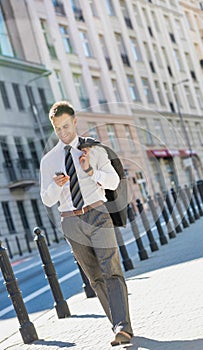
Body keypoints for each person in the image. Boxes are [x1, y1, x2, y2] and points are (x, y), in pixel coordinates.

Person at [40, 101, 133, 346]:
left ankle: (122, 327)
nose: (63, 133)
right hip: (71, 221)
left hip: (97, 214)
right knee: (95, 278)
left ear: (75, 122)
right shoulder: (49, 161)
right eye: (58, 129)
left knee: (111, 269)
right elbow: (46, 199)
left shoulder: (93, 150)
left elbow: (113, 182)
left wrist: (91, 171)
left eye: (67, 127)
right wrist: (56, 186)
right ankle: (118, 324)